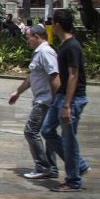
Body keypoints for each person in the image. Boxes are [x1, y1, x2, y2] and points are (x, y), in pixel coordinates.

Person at [42, 9, 90, 192]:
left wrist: (67, 105)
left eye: (52, 22)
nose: (51, 25)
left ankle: (73, 180)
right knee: (47, 130)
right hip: (62, 96)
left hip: (73, 98)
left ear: (58, 25)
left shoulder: (72, 46)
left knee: (69, 139)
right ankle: (80, 165)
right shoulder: (64, 45)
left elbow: (73, 75)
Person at [7, 25, 60, 179]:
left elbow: (54, 75)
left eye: (28, 37)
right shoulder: (39, 53)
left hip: (45, 100)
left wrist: (57, 101)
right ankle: (51, 168)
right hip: (42, 99)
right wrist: (18, 92)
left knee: (31, 131)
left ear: (37, 36)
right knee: (48, 133)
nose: (27, 41)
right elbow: (32, 77)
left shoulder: (45, 52)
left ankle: (43, 166)